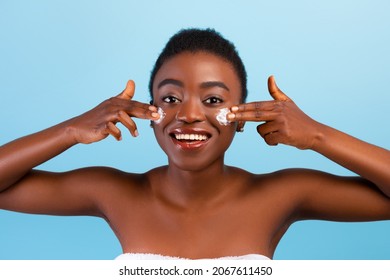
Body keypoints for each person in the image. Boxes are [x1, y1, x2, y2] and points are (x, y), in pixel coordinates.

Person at [0, 28, 389, 260]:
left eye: (214, 100)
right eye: (169, 99)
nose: (188, 114)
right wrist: (70, 129)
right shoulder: (113, 192)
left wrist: (318, 135)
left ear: (243, 117)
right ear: (148, 111)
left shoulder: (283, 193)